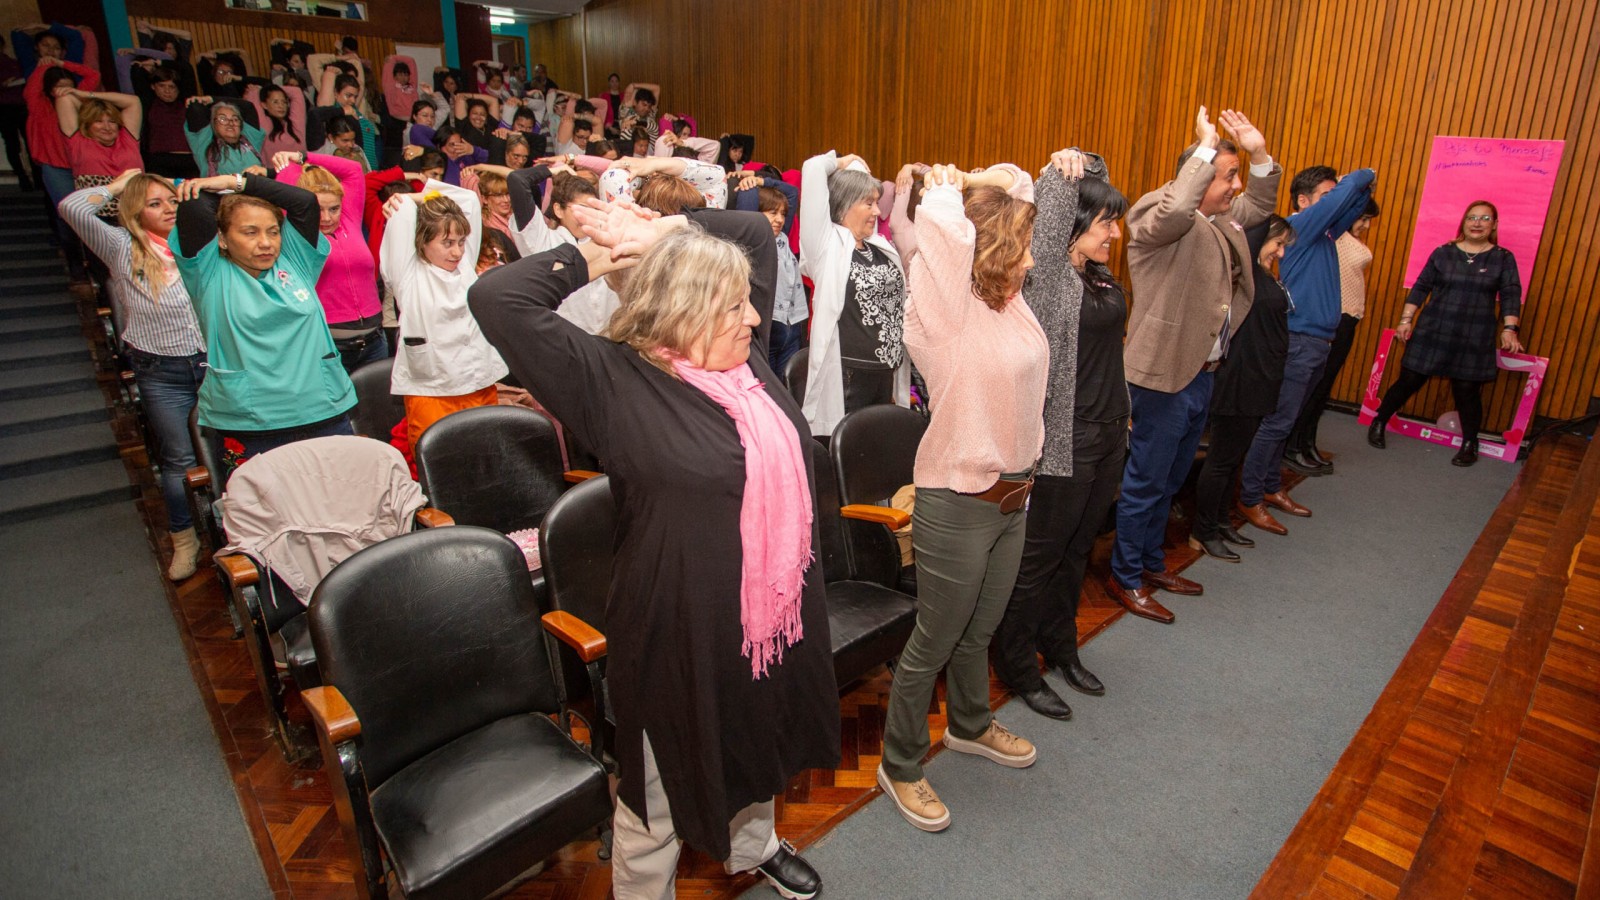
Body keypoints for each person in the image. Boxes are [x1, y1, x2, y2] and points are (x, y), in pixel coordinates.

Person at [469, 200, 832, 900]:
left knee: (760, 738)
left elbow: (754, 231)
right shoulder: (611, 380)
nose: (755, 317)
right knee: (658, 786)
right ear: (685, 309)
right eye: (735, 307)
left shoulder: (742, 357)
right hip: (676, 627)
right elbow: (497, 297)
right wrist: (604, 254)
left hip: (768, 614)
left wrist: (661, 230)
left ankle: (751, 846)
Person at [878, 161, 1045, 833]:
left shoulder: (1011, 294)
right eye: (1022, 242)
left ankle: (970, 725)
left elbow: (1019, 189)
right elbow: (943, 233)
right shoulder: (943, 309)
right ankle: (900, 764)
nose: (1033, 256)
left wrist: (988, 177)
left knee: (981, 629)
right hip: (958, 501)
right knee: (936, 639)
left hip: (1014, 498)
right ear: (991, 246)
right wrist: (944, 191)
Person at [1111, 108, 1279, 623]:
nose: (1235, 187)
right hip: (1162, 375)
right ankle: (1124, 577)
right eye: (1227, 177)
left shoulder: (1217, 221)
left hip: (1201, 374)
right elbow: (1176, 208)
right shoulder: (1158, 214)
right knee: (1146, 480)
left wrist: (1259, 155)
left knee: (1171, 479)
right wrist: (1206, 149)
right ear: (1199, 176)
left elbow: (1259, 206)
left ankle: (1151, 563)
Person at [991, 148, 1129, 719]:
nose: (1116, 234)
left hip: (1108, 435)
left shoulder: (1098, 277)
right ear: (1074, 225)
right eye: (1106, 223)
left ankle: (1062, 647)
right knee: (1040, 560)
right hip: (1064, 439)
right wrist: (1065, 167)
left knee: (1077, 553)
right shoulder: (1048, 276)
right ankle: (1018, 665)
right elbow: (1049, 216)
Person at [59, 171, 208, 580]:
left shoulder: (197, 242)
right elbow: (70, 207)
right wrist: (119, 184)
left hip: (211, 364)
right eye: (154, 203)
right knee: (179, 459)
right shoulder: (121, 246)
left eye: (171, 201)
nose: (167, 210)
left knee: (227, 451)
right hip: (161, 371)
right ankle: (184, 538)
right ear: (135, 211)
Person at [171, 170, 356, 459]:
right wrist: (221, 189)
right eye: (250, 232)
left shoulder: (295, 259)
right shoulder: (208, 272)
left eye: (272, 231)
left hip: (323, 409)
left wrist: (237, 182)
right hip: (253, 422)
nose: (266, 243)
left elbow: (304, 201)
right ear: (221, 238)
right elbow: (195, 205)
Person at [1237, 163, 1374, 505]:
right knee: (1277, 423)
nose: (1334, 202)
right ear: (1302, 201)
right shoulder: (1301, 226)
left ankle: (1270, 486)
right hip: (1300, 340)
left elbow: (1357, 202)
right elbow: (1351, 190)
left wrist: (1360, 186)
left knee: (1287, 421)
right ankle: (1251, 495)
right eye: (1326, 196)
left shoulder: (1325, 231)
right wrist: (1360, 175)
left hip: (1317, 342)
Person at [1368, 201, 1522, 467]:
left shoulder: (1503, 258)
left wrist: (1510, 329)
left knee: (1467, 390)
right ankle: (1379, 420)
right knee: (1410, 379)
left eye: (1485, 218)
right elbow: (1420, 287)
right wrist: (1406, 320)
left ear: (1494, 224)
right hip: (1435, 328)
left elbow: (1511, 294)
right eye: (1472, 217)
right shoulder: (1443, 252)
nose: (1477, 222)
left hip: (1475, 333)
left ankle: (1470, 443)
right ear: (1463, 222)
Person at [381, 180, 507, 449]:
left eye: (461, 242)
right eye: (447, 243)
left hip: (478, 382)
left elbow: (469, 201)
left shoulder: (465, 265)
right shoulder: (408, 273)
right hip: (432, 391)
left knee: (487, 454)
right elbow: (401, 208)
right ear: (422, 242)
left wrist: (423, 196)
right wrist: (411, 199)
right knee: (441, 463)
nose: (458, 251)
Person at [1200, 215, 1296, 547]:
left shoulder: (1265, 276)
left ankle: (1222, 521)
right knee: (1221, 460)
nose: (1281, 253)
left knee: (1234, 460)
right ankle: (1203, 531)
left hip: (1260, 382)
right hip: (1240, 381)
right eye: (1277, 243)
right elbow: (1250, 232)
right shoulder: (1246, 277)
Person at [798, 150, 909, 436]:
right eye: (868, 203)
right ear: (844, 204)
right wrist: (841, 162)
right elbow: (812, 168)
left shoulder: (878, 247)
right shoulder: (826, 246)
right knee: (851, 455)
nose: (877, 211)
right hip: (849, 378)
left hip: (885, 375)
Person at [273, 150, 386, 371]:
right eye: (317, 209)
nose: (326, 217)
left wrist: (303, 156)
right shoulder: (299, 233)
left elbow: (353, 170)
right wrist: (292, 165)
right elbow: (286, 180)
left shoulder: (349, 219)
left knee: (379, 406)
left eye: (333, 209)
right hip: (330, 348)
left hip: (375, 342)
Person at [1291, 197, 1379, 467]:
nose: (1364, 225)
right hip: (1332, 316)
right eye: (1362, 218)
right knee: (1312, 386)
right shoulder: (1331, 233)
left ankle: (1307, 440)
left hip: (1349, 318)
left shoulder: (1344, 237)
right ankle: (1294, 445)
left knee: (1324, 386)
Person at [56, 88, 143, 214]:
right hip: (98, 216)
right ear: (88, 123)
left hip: (136, 211)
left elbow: (133, 101)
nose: (107, 127)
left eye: (112, 122)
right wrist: (91, 107)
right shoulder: (78, 141)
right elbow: (64, 98)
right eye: (98, 121)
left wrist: (86, 94)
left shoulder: (127, 137)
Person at [131, 63, 199, 179]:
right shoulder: (148, 103)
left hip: (188, 160)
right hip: (159, 160)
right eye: (162, 86)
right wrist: (142, 66)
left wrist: (159, 62)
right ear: (153, 87)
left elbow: (186, 68)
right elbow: (136, 74)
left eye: (171, 87)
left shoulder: (187, 103)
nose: (167, 91)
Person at [184, 97, 264, 176]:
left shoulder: (251, 139)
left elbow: (248, 106)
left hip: (258, 188)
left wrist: (212, 99)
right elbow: (195, 107)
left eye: (235, 119)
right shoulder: (204, 142)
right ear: (213, 124)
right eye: (223, 119)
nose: (230, 123)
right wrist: (209, 101)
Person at [0, 35, 34, 191]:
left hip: (19, 105)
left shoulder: (14, 63)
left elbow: (28, 79)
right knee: (13, 144)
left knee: (29, 142)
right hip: (4, 107)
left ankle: (33, 176)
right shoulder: (13, 63)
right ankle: (22, 177)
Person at [243, 82, 306, 160]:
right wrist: (261, 90)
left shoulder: (295, 123)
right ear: (264, 105)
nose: (281, 106)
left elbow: (296, 91)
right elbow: (253, 95)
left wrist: (266, 88)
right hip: (274, 171)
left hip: (303, 170)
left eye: (284, 102)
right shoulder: (264, 124)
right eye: (275, 102)